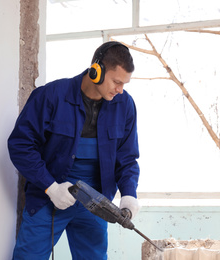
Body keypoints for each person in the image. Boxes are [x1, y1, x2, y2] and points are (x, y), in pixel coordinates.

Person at [8, 41, 141, 260]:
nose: (120, 90)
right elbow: (20, 145)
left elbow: (126, 157)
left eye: (124, 84)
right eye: (116, 82)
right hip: (50, 195)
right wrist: (50, 188)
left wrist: (128, 194)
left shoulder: (124, 105)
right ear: (96, 71)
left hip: (95, 201)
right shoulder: (51, 96)